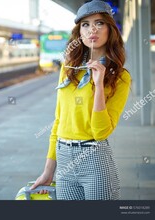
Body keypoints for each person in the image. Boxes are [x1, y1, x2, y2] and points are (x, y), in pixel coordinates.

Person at [30, 0, 131, 200]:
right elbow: (58, 120)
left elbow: (100, 132)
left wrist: (99, 85)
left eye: (99, 23)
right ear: (79, 33)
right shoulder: (68, 69)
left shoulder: (120, 77)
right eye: (85, 24)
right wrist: (49, 170)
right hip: (64, 157)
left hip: (95, 159)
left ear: (110, 29)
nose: (92, 29)